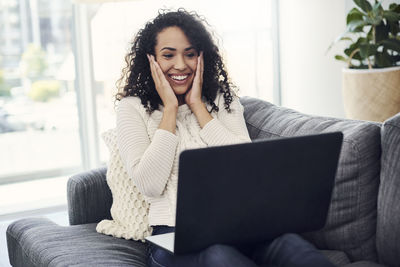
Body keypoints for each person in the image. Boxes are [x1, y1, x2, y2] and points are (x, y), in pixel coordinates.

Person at [115, 9, 335, 267]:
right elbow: (149, 183)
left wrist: (198, 107)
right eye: (168, 55)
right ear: (150, 59)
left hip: (242, 226)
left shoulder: (221, 98)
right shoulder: (132, 108)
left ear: (202, 56)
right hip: (174, 237)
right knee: (221, 257)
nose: (181, 65)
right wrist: (171, 109)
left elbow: (247, 164)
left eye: (190, 54)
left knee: (294, 247)